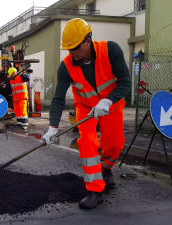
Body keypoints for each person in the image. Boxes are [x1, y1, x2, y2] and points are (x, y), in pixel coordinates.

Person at [43, 18, 131, 209]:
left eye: (75, 47)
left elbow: (125, 81)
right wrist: (52, 127)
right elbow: (58, 99)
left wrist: (107, 101)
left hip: (111, 105)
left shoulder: (111, 51)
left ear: (88, 40)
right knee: (87, 142)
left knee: (114, 145)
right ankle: (94, 190)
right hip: (85, 108)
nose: (71, 52)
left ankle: (106, 169)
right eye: (68, 49)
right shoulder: (66, 66)